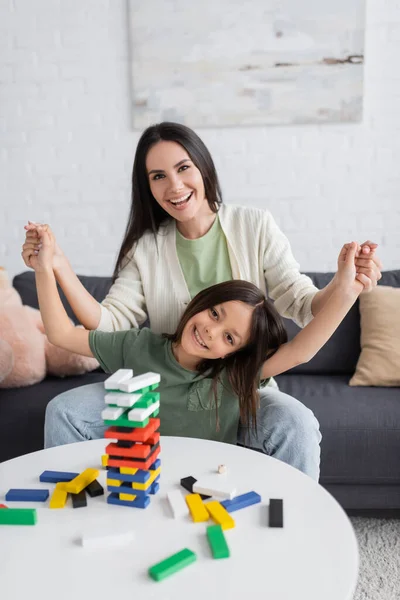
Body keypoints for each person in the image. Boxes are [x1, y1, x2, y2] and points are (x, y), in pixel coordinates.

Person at [21, 122, 383, 481]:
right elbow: (107, 321)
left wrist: (345, 284)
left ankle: (293, 525)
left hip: (232, 392)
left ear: (202, 166)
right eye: (158, 176)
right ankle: (78, 515)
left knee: (296, 422)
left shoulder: (254, 226)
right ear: (147, 186)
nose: (174, 186)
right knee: (66, 410)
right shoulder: (145, 249)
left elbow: (303, 307)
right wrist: (56, 265)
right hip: (158, 388)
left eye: (183, 168)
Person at [33, 226, 363, 448]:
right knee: (61, 408)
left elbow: (302, 350)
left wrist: (348, 290)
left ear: (232, 353)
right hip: (141, 468)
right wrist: (44, 268)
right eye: (215, 314)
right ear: (198, 302)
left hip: (207, 480)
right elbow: (61, 334)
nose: (210, 330)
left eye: (229, 338)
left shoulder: (234, 375)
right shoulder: (138, 345)